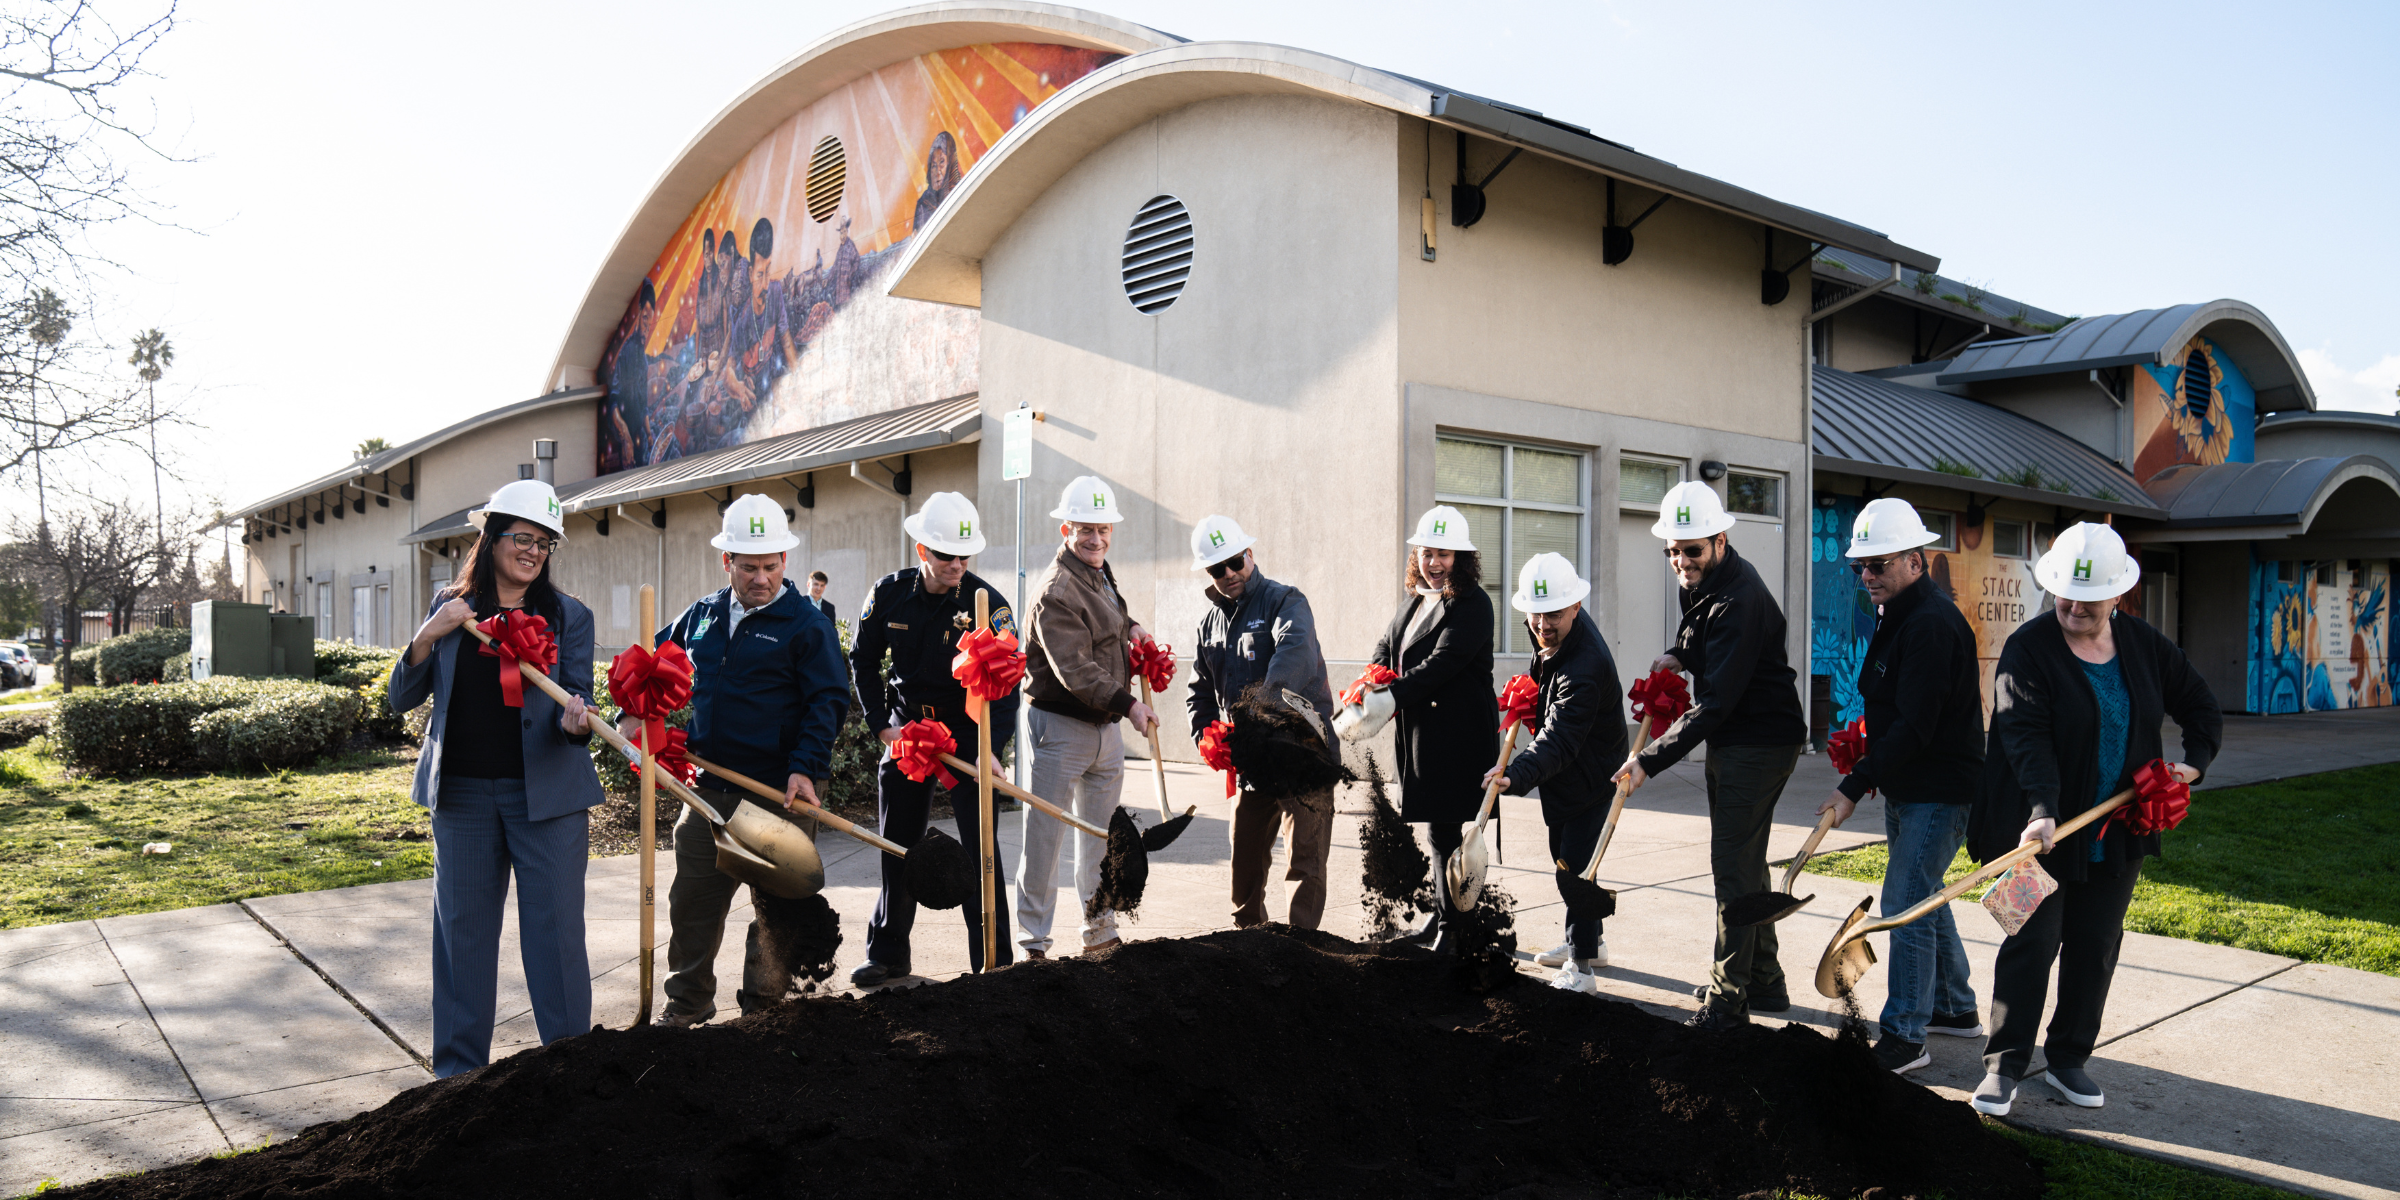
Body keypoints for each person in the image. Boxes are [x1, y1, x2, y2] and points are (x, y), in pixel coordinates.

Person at [1965, 522, 2220, 1116]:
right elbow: (2025, 737)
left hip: (2118, 828)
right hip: (2038, 831)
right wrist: (2042, 811)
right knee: (2031, 942)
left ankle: (2069, 1059)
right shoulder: (2029, 648)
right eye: (2064, 594)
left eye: (2090, 597)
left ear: (2117, 595)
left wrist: (2196, 765)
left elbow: (2200, 704)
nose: (2075, 606)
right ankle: (2004, 1065)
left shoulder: (2144, 644)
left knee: (2095, 944)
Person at [388, 478, 602, 1077]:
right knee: (464, 943)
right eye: (523, 538)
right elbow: (399, 697)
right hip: (462, 799)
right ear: (492, 536)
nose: (533, 552)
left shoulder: (569, 616)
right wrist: (431, 632)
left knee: (556, 939)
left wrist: (577, 722)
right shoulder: (451, 608)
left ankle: (569, 1071)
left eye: (545, 543)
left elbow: (575, 712)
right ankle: (457, 1081)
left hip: (549, 802)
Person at [645, 494, 851, 1026]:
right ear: (727, 563)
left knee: (774, 912)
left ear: (785, 561)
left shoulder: (806, 625)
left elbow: (827, 701)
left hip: (781, 791)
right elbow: (654, 662)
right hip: (708, 785)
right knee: (691, 901)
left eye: (771, 566)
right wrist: (632, 709)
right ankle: (686, 1004)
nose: (762, 578)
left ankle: (764, 1012)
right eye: (750, 567)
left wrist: (805, 766)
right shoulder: (703, 615)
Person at [1613, 481, 1808, 1031]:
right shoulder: (1698, 585)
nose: (1680, 561)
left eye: (1692, 549)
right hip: (1738, 735)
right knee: (1745, 861)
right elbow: (1700, 641)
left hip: (1762, 740)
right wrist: (1679, 653)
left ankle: (1728, 1000)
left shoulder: (1741, 600)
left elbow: (1715, 703)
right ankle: (1765, 981)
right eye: (1672, 551)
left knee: (1732, 868)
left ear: (1720, 540)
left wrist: (1649, 759)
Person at [1818, 498, 1988, 1074]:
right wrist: (1868, 750)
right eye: (1858, 567)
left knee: (1904, 905)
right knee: (1924, 893)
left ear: (1917, 560)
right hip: (1912, 783)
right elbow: (1893, 708)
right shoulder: (1900, 613)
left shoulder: (1932, 626)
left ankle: (1906, 1035)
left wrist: (1853, 782)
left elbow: (1918, 725)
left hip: (1937, 789)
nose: (1867, 576)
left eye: (1879, 564)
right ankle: (1955, 1008)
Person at [849, 492, 1019, 984]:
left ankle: (994, 960)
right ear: (922, 550)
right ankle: (888, 954)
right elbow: (862, 661)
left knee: (980, 851)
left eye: (966, 555)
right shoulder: (888, 594)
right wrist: (882, 725)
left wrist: (992, 747)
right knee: (897, 842)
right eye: (947, 555)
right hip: (909, 730)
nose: (958, 565)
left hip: (969, 731)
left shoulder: (988, 604)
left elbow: (1006, 686)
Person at [1017, 475, 1158, 959]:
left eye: (1103, 530)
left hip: (1104, 730)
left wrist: (1132, 626)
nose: (1095, 539)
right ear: (1065, 530)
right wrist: (1131, 705)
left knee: (1098, 836)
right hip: (1061, 727)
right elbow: (1075, 670)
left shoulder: (1098, 572)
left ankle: (1098, 932)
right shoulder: (1056, 591)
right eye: (1085, 530)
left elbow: (1111, 614)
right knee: (1045, 838)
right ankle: (1033, 941)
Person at [1184, 514, 1337, 930]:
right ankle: (1249, 945)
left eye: (1236, 562)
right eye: (1218, 569)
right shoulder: (1209, 624)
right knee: (1245, 859)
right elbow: (1198, 689)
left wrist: (1257, 712)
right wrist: (1204, 735)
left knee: (1305, 859)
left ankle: (1300, 947)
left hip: (1303, 750)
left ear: (1250, 554)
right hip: (1253, 760)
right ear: (1209, 573)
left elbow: (1294, 655)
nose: (1230, 574)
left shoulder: (1286, 600)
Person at [1484, 553, 1629, 993]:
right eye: (1536, 614)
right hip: (1571, 772)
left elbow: (1560, 737)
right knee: (1572, 859)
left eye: (1554, 614)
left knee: (1574, 870)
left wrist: (1518, 773)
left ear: (1576, 608)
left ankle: (1582, 969)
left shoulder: (1584, 665)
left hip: (1593, 776)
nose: (1543, 624)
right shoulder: (1556, 642)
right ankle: (1589, 942)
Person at [1359, 505, 1497, 953]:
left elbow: (1445, 663)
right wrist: (1372, 678)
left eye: (1444, 554)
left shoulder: (1473, 603)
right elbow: (1388, 645)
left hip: (1459, 736)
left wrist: (1392, 697)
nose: (1434, 563)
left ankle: (1456, 930)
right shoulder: (1418, 599)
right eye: (1426, 553)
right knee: (1439, 830)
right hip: (1423, 733)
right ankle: (1444, 918)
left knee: (1451, 831)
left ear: (1462, 558)